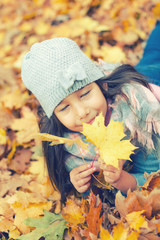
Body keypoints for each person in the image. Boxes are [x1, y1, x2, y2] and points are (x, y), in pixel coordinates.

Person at [21, 25, 160, 203]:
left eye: (85, 94)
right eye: (64, 108)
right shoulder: (70, 144)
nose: (82, 112)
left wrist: (125, 179)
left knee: (154, 54)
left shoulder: (138, 110)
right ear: (54, 116)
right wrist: (79, 182)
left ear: (102, 85)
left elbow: (154, 175)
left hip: (149, 81)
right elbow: (102, 197)